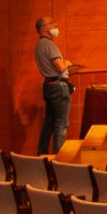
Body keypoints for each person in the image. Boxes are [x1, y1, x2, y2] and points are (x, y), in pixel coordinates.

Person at [32, 16, 77, 155]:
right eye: (52, 23)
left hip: (49, 85)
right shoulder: (49, 44)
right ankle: (59, 158)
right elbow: (60, 67)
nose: (55, 25)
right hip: (58, 87)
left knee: (49, 123)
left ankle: (42, 154)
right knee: (61, 123)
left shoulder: (38, 45)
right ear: (43, 28)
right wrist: (67, 63)